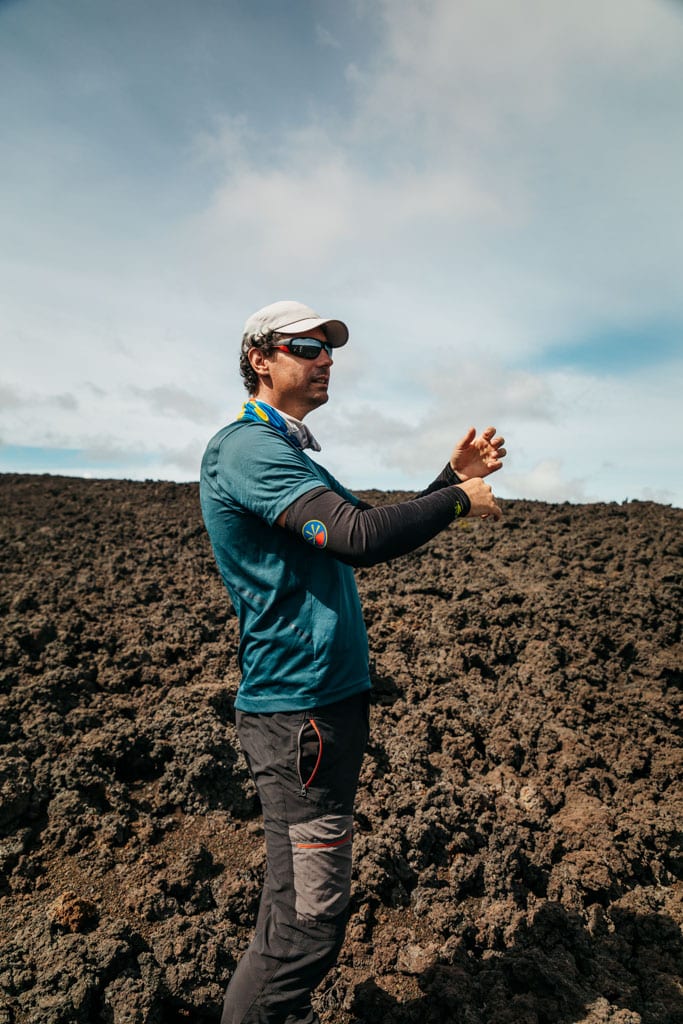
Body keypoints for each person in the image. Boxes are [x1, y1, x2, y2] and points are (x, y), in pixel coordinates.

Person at [199, 300, 506, 1024]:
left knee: (300, 909)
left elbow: (366, 530)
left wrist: (443, 480)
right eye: (305, 345)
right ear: (259, 359)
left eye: (329, 347)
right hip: (299, 718)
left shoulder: (291, 454)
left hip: (320, 711)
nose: (325, 357)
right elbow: (357, 537)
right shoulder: (246, 449)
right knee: (306, 922)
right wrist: (458, 501)